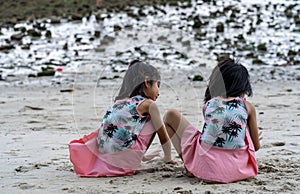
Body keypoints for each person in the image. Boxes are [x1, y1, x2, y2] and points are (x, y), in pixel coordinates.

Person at [164, 58, 262, 183]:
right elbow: (256, 147)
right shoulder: (247, 107)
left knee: (170, 115)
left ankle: (188, 165)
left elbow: (211, 136)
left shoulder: (209, 105)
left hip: (207, 169)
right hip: (239, 170)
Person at [79, 59, 175, 177]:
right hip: (125, 161)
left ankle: (139, 157)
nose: (159, 92)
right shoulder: (148, 104)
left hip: (105, 159)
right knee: (154, 121)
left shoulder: (118, 103)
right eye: (157, 85)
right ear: (146, 82)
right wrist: (168, 158)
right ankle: (136, 160)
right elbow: (162, 134)